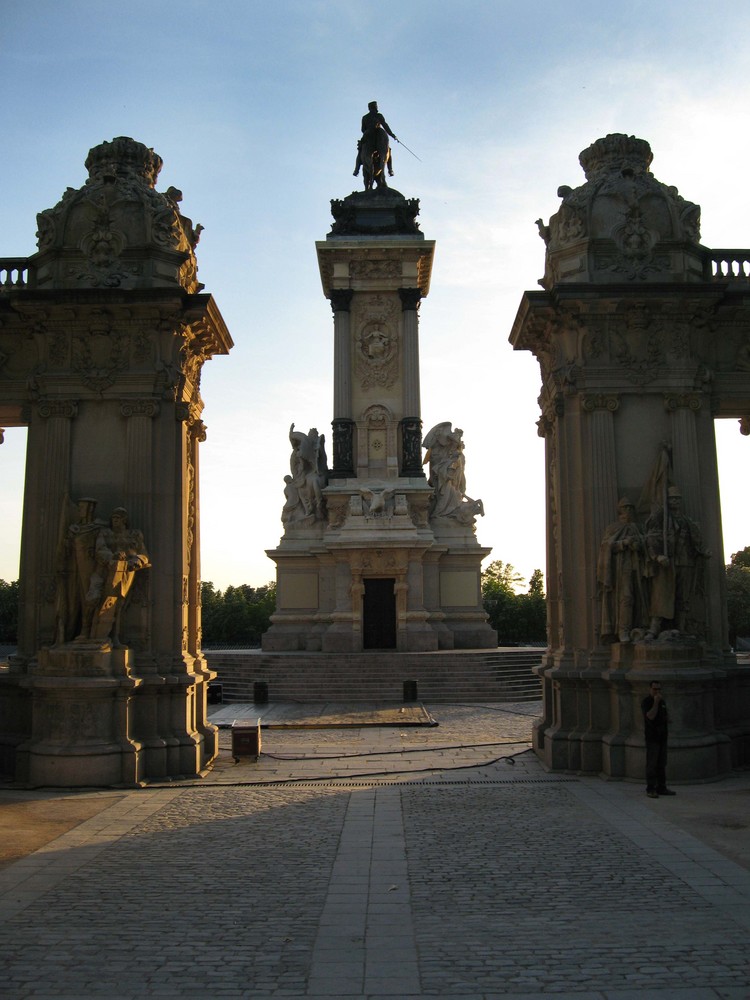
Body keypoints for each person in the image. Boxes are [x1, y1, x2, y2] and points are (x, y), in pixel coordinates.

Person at [644, 485, 710, 639]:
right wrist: (657, 556)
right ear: (667, 501)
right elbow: (650, 537)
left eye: (678, 498)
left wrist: (703, 552)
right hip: (668, 563)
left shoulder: (687, 521)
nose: (675, 501)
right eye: (672, 498)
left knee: (684, 597)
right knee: (660, 595)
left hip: (685, 562)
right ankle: (654, 629)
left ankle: (682, 628)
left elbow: (694, 542)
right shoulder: (662, 519)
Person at [597, 497, 647, 643]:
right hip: (622, 567)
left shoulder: (639, 527)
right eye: (625, 508)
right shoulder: (613, 528)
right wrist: (624, 543)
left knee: (641, 598)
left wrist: (639, 544)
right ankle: (623, 630)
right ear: (620, 510)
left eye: (631, 507)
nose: (628, 510)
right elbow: (606, 546)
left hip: (639, 567)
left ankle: (641, 628)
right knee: (626, 597)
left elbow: (647, 543)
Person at [641, 680, 676, 798]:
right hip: (652, 737)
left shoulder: (662, 701)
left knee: (662, 763)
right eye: (655, 689)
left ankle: (662, 787)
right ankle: (650, 788)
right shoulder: (647, 702)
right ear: (650, 689)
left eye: (659, 689)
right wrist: (656, 703)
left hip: (662, 737)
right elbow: (650, 716)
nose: (657, 691)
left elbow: (666, 716)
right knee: (652, 764)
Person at [354, 101, 397, 177]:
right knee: (388, 151)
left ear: (369, 108)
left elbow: (362, 129)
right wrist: (391, 134)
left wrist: (367, 131)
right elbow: (385, 125)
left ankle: (357, 169)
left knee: (360, 150)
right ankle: (390, 170)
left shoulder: (365, 117)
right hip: (378, 133)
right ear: (375, 107)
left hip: (368, 134)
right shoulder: (379, 115)